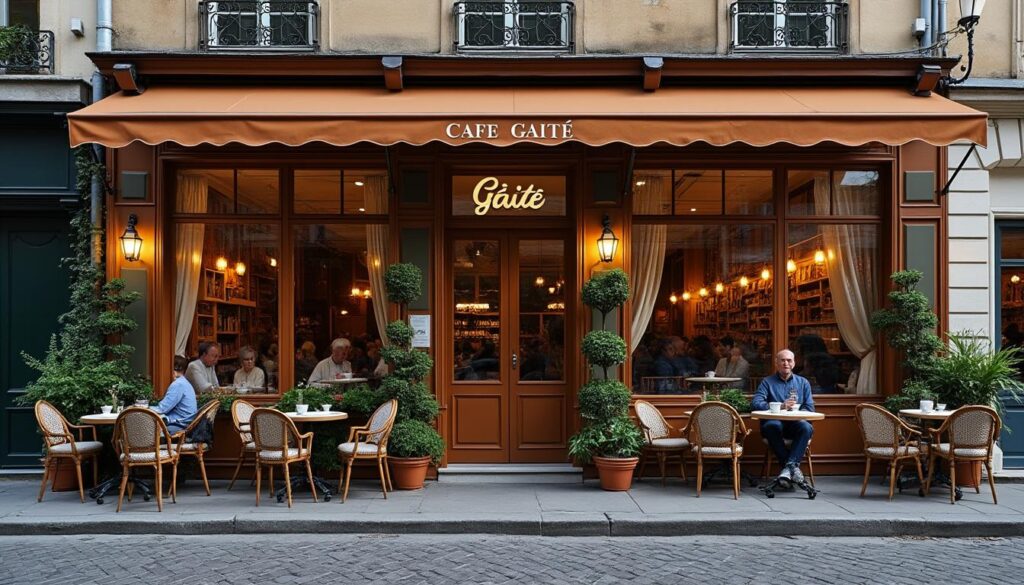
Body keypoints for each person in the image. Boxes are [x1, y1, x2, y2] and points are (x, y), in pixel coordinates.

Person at [752, 349, 815, 487]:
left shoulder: (803, 383)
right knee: (771, 426)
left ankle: (787, 469)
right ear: (776, 363)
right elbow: (756, 403)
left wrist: (796, 411)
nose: (786, 363)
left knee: (806, 427)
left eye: (789, 360)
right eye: (782, 360)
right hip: (775, 426)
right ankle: (791, 468)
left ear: (794, 363)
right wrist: (780, 406)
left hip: (795, 425)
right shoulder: (767, 382)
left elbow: (810, 408)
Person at [155, 355, 198, 433]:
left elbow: (162, 409)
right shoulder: (184, 382)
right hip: (185, 424)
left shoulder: (178, 384)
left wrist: (142, 407)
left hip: (179, 426)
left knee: (144, 430)